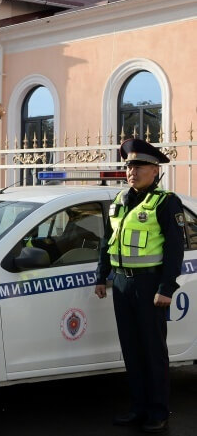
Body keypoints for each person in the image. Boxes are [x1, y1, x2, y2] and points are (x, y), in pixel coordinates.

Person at [94, 138, 185, 433]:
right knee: (131, 350)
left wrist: (166, 288)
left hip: (149, 285)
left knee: (153, 350)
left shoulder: (166, 202)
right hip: (122, 284)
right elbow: (108, 242)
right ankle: (138, 408)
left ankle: (158, 412)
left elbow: (175, 249)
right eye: (129, 166)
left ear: (155, 170)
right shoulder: (120, 201)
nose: (132, 171)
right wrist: (101, 276)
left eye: (139, 166)